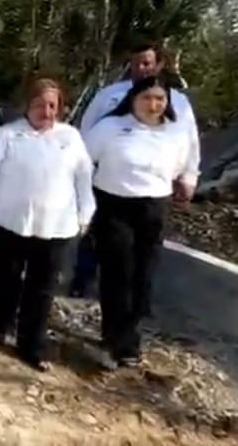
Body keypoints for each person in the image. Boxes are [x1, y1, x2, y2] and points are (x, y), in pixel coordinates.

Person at [0, 78, 95, 372]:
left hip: (56, 227)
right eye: (39, 105)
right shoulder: (8, 135)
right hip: (8, 222)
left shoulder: (71, 138)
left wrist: (85, 215)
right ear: (27, 106)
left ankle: (31, 345)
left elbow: (84, 178)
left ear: (59, 108)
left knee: (42, 288)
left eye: (52, 105)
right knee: (5, 279)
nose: (46, 111)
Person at [83, 74, 197, 367]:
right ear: (133, 99)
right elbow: (83, 161)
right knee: (118, 272)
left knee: (143, 278)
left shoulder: (175, 133)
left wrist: (186, 182)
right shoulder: (110, 127)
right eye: (147, 98)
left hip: (153, 207)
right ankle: (115, 341)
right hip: (113, 205)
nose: (153, 105)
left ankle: (128, 336)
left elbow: (182, 165)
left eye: (160, 99)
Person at [70, 41, 200, 297]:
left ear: (159, 65)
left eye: (147, 63)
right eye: (135, 63)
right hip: (109, 182)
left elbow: (189, 142)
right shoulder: (109, 96)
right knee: (98, 236)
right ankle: (83, 279)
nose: (141, 68)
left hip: (153, 189)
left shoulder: (179, 103)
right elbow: (87, 132)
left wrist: (188, 177)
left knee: (144, 249)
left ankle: (138, 300)